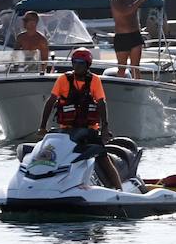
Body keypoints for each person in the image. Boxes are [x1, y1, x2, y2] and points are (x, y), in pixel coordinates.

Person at [37, 47, 123, 190]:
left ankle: (118, 188)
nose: (77, 66)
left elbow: (101, 103)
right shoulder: (63, 79)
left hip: (89, 130)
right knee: (53, 154)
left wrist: (105, 128)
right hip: (67, 131)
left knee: (102, 156)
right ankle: (47, 183)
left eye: (81, 63)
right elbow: (51, 101)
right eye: (75, 63)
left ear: (87, 65)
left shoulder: (94, 80)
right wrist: (42, 127)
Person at [109, 0, 148, 79]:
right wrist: (140, 1)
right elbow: (125, 11)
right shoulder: (115, 0)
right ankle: (121, 88)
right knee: (122, 68)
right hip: (122, 37)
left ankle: (138, 88)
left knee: (136, 67)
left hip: (135, 35)